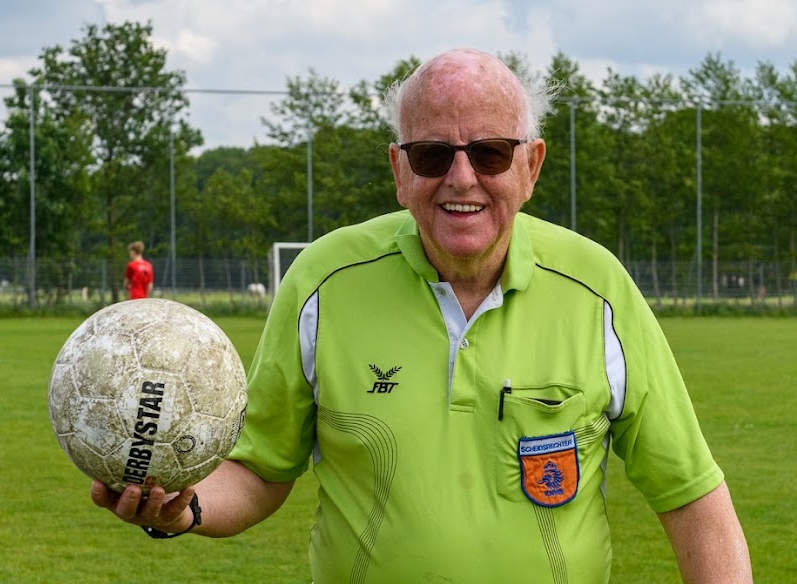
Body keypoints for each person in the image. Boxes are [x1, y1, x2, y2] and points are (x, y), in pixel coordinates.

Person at [92, 49, 753, 583]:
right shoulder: (324, 282)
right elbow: (262, 469)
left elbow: (690, 495)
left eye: (490, 152)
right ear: (399, 170)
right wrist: (183, 509)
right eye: (432, 155)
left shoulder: (597, 289)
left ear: (531, 164)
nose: (461, 178)